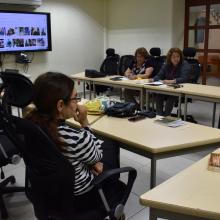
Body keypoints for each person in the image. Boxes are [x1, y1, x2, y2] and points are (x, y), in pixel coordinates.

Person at [26, 72, 124, 211]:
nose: (77, 103)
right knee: (110, 144)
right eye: (75, 99)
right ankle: (112, 183)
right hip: (79, 199)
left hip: (46, 194)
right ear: (60, 105)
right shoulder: (75, 137)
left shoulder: (30, 124)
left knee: (101, 149)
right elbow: (96, 156)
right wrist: (84, 122)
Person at [151, 47, 190, 116]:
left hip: (179, 89)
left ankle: (166, 116)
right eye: (173, 57)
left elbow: (184, 78)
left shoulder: (184, 64)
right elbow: (160, 75)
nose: (176, 59)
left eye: (178, 56)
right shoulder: (167, 64)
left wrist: (172, 81)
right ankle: (159, 116)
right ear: (170, 58)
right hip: (167, 88)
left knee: (171, 99)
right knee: (159, 97)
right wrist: (153, 79)